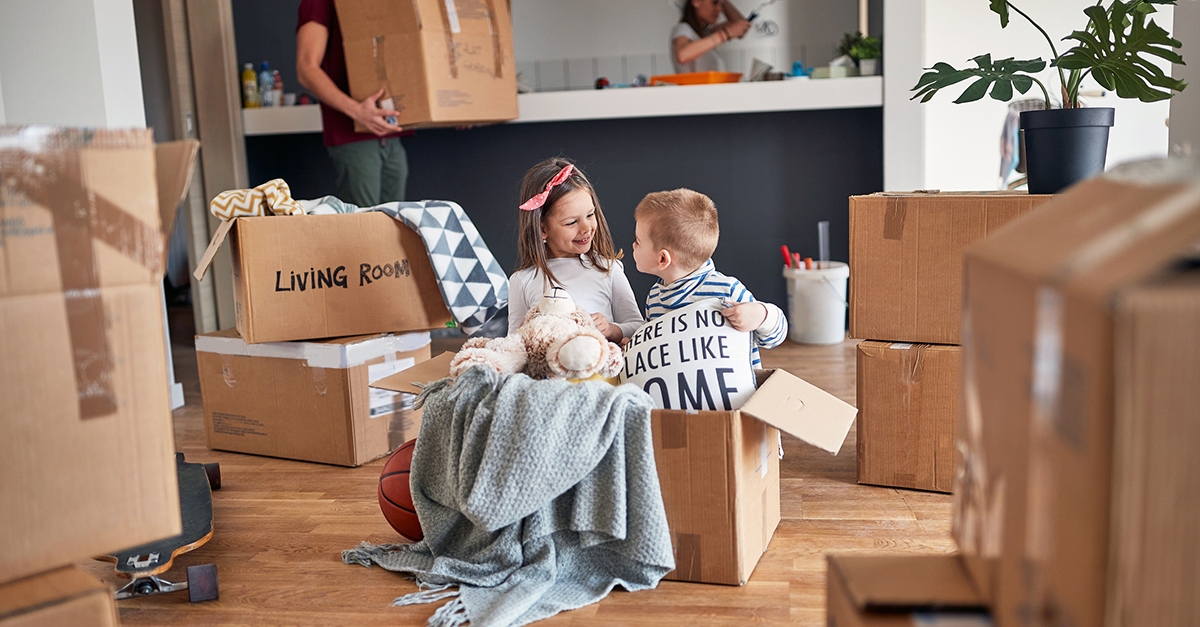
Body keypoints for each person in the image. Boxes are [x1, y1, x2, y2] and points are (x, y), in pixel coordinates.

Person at [631, 188, 786, 369]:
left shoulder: (727, 291)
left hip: (734, 395)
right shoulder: (655, 298)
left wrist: (761, 315)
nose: (633, 245)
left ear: (663, 259)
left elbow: (776, 336)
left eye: (638, 241)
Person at [508, 158, 643, 343]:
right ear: (542, 229)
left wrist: (612, 330)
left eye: (590, 215)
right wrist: (524, 332)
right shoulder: (522, 281)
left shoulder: (609, 269)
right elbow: (512, 345)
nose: (586, 228)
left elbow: (638, 325)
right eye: (571, 222)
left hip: (601, 368)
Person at [296, 0, 410, 206]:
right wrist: (357, 111)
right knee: (363, 229)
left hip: (392, 133)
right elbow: (306, 69)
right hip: (353, 135)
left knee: (396, 227)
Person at [671, 0, 752, 73]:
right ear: (696, 1)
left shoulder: (706, 32)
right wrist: (724, 35)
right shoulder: (683, 29)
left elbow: (741, 26)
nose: (720, 9)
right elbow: (682, 55)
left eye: (721, 4)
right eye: (714, 2)